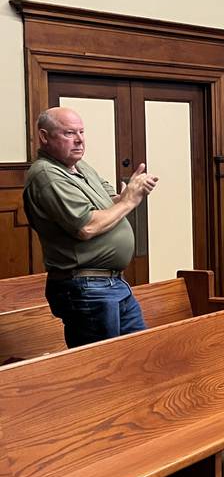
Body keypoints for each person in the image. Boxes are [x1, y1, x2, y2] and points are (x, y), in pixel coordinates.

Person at [23, 107, 159, 348]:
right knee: (103, 369)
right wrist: (129, 201)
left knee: (138, 355)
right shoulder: (46, 174)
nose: (79, 140)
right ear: (44, 136)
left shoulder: (81, 166)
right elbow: (85, 227)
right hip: (86, 287)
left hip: (113, 283)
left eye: (81, 132)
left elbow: (111, 203)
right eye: (68, 133)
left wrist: (130, 192)